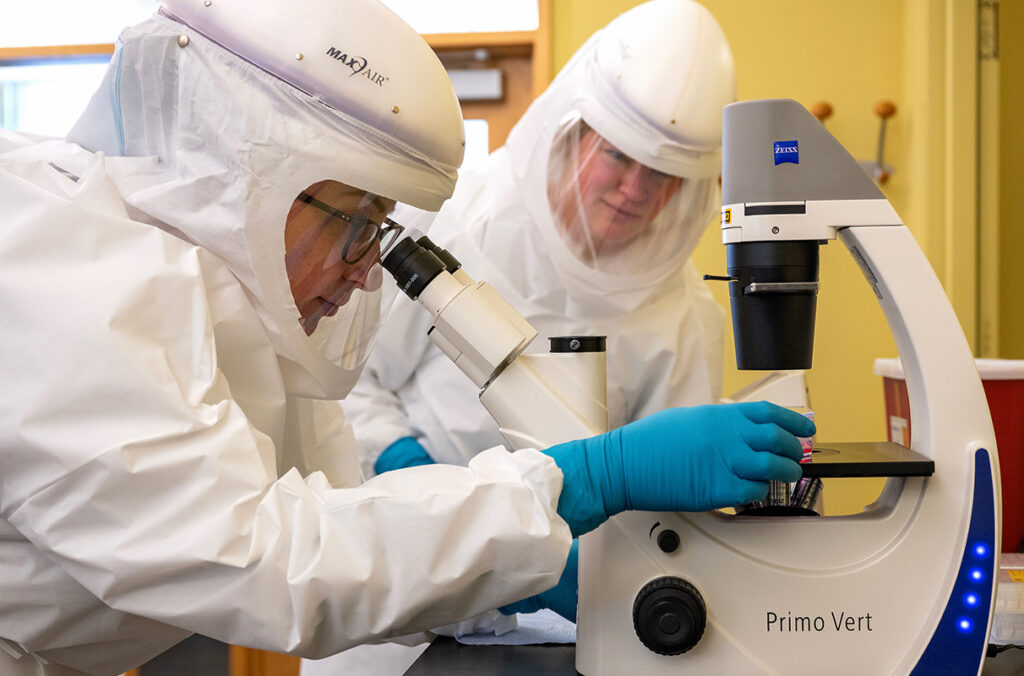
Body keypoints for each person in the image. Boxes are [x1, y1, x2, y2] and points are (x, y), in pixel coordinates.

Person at [0, 1, 814, 675]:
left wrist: (515, 561)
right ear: (245, 178)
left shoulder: (225, 305)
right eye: (357, 226)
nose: (366, 273)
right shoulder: (77, 284)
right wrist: (577, 481)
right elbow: (279, 562)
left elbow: (351, 520)